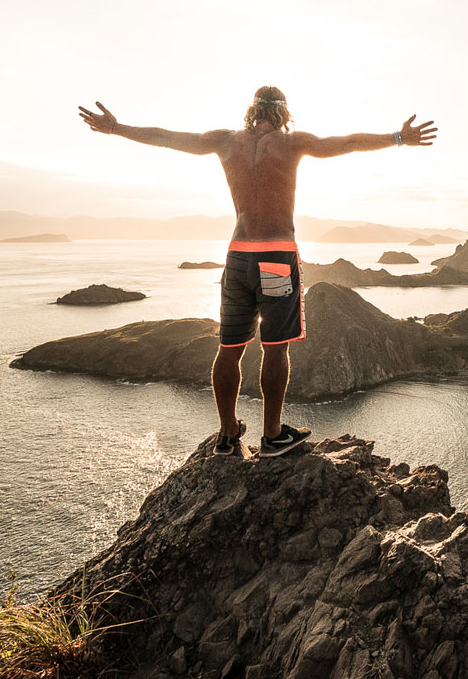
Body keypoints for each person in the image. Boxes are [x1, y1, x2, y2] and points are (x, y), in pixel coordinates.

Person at [78, 88, 437, 457]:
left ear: (252, 110)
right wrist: (397, 138)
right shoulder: (293, 143)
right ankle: (272, 436)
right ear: (284, 113)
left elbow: (167, 138)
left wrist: (117, 128)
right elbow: (346, 143)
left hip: (236, 258)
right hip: (275, 256)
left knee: (229, 349)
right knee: (275, 349)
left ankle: (227, 435)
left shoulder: (223, 141)